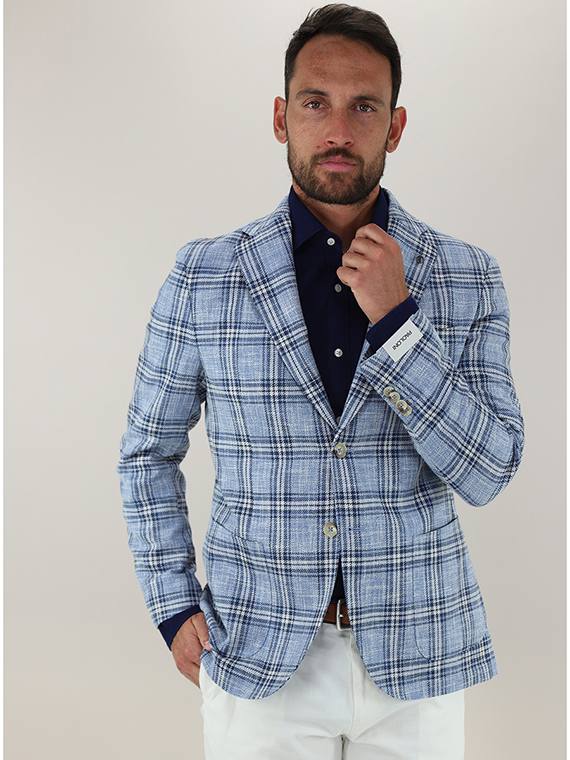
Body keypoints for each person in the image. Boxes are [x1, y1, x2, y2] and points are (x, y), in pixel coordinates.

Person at [118, 4, 524, 758]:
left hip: (419, 660)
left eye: (364, 106)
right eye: (315, 103)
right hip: (256, 653)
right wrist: (173, 603)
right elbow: (148, 451)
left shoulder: (467, 276)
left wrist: (398, 323)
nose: (338, 129)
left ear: (395, 127)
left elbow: (490, 471)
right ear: (281, 118)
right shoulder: (207, 275)